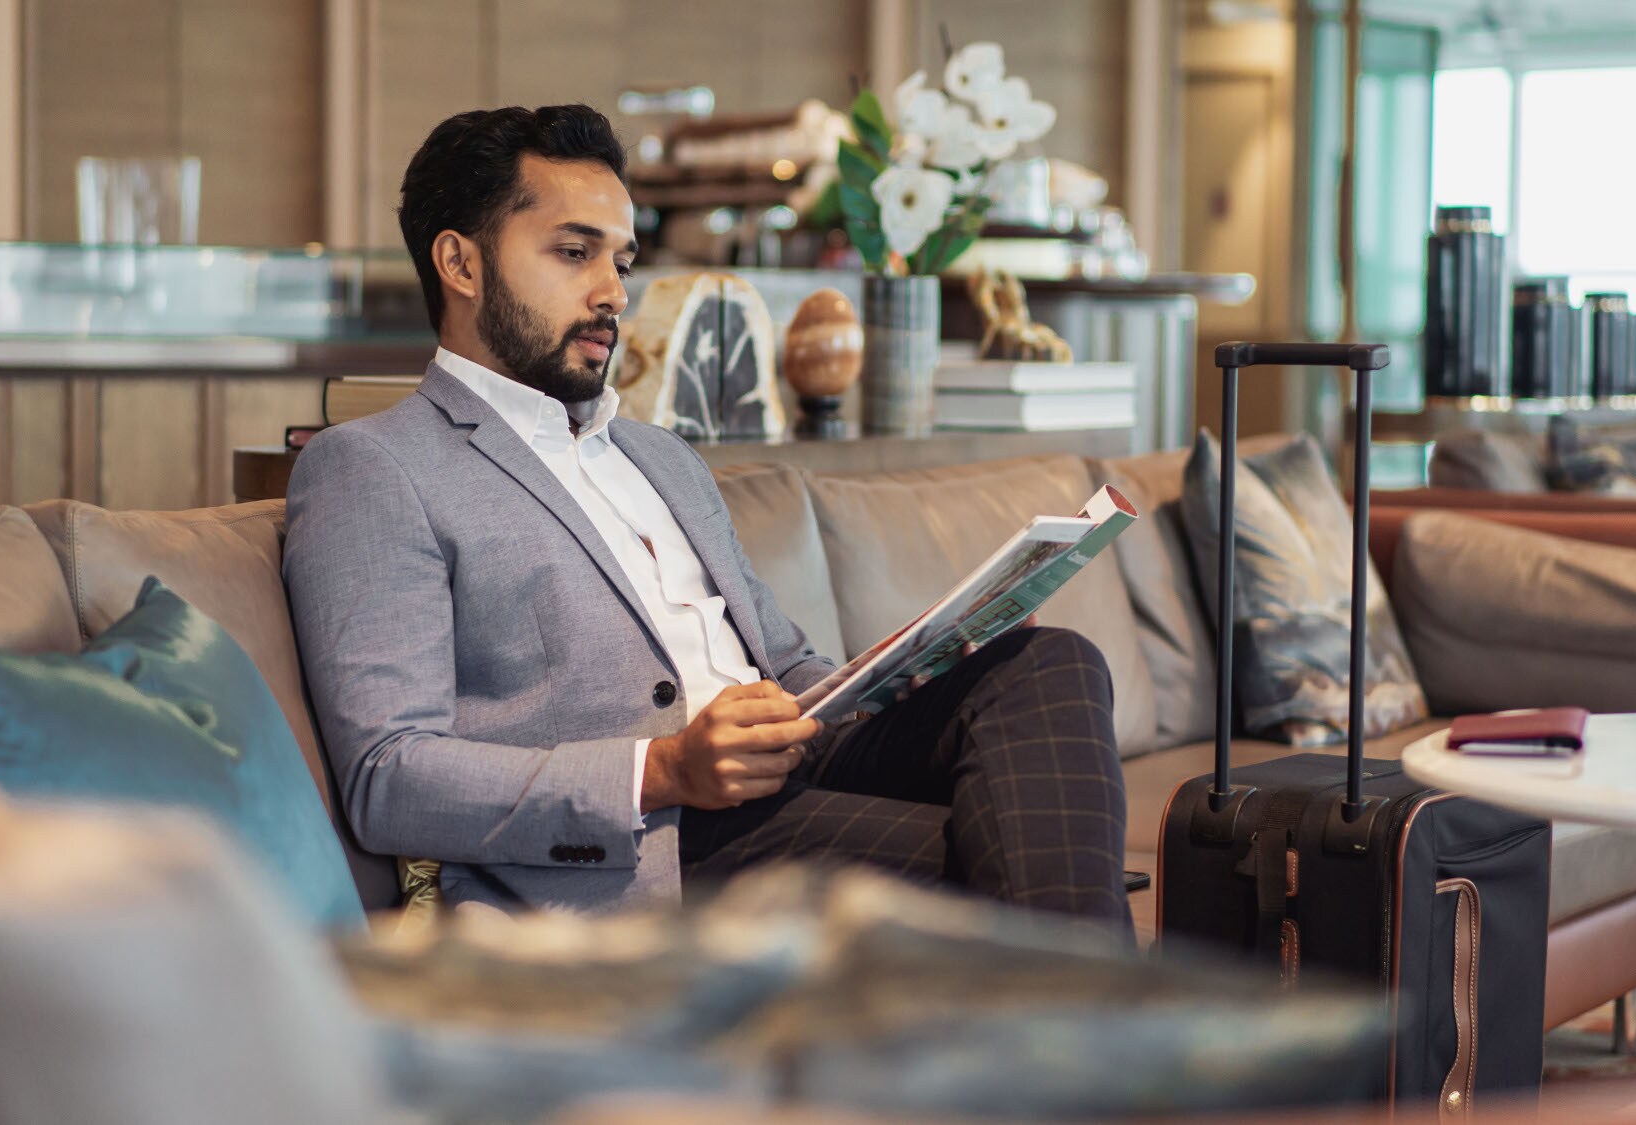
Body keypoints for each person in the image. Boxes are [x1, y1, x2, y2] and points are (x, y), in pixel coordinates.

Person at [282, 104, 1130, 929]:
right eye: (575, 252)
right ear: (460, 265)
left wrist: (898, 665)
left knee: (1047, 662)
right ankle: (1133, 1051)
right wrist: (663, 770)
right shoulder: (374, 467)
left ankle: (1099, 1047)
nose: (613, 291)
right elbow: (388, 777)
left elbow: (790, 664)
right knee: (1011, 861)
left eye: (622, 259)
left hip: (789, 757)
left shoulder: (661, 457)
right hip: (661, 840)